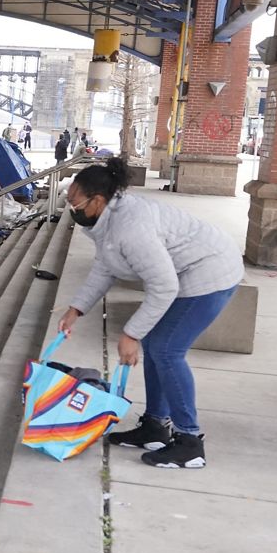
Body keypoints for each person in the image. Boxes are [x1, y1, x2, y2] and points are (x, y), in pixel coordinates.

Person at [57, 158, 243, 469]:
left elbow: (163, 286)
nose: (71, 208)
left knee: (166, 350)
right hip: (185, 275)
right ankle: (156, 426)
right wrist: (76, 308)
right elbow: (106, 266)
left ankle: (190, 442)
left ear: (98, 201)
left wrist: (131, 334)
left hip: (210, 272)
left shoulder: (131, 228)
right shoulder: (108, 220)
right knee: (159, 346)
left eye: (74, 203)